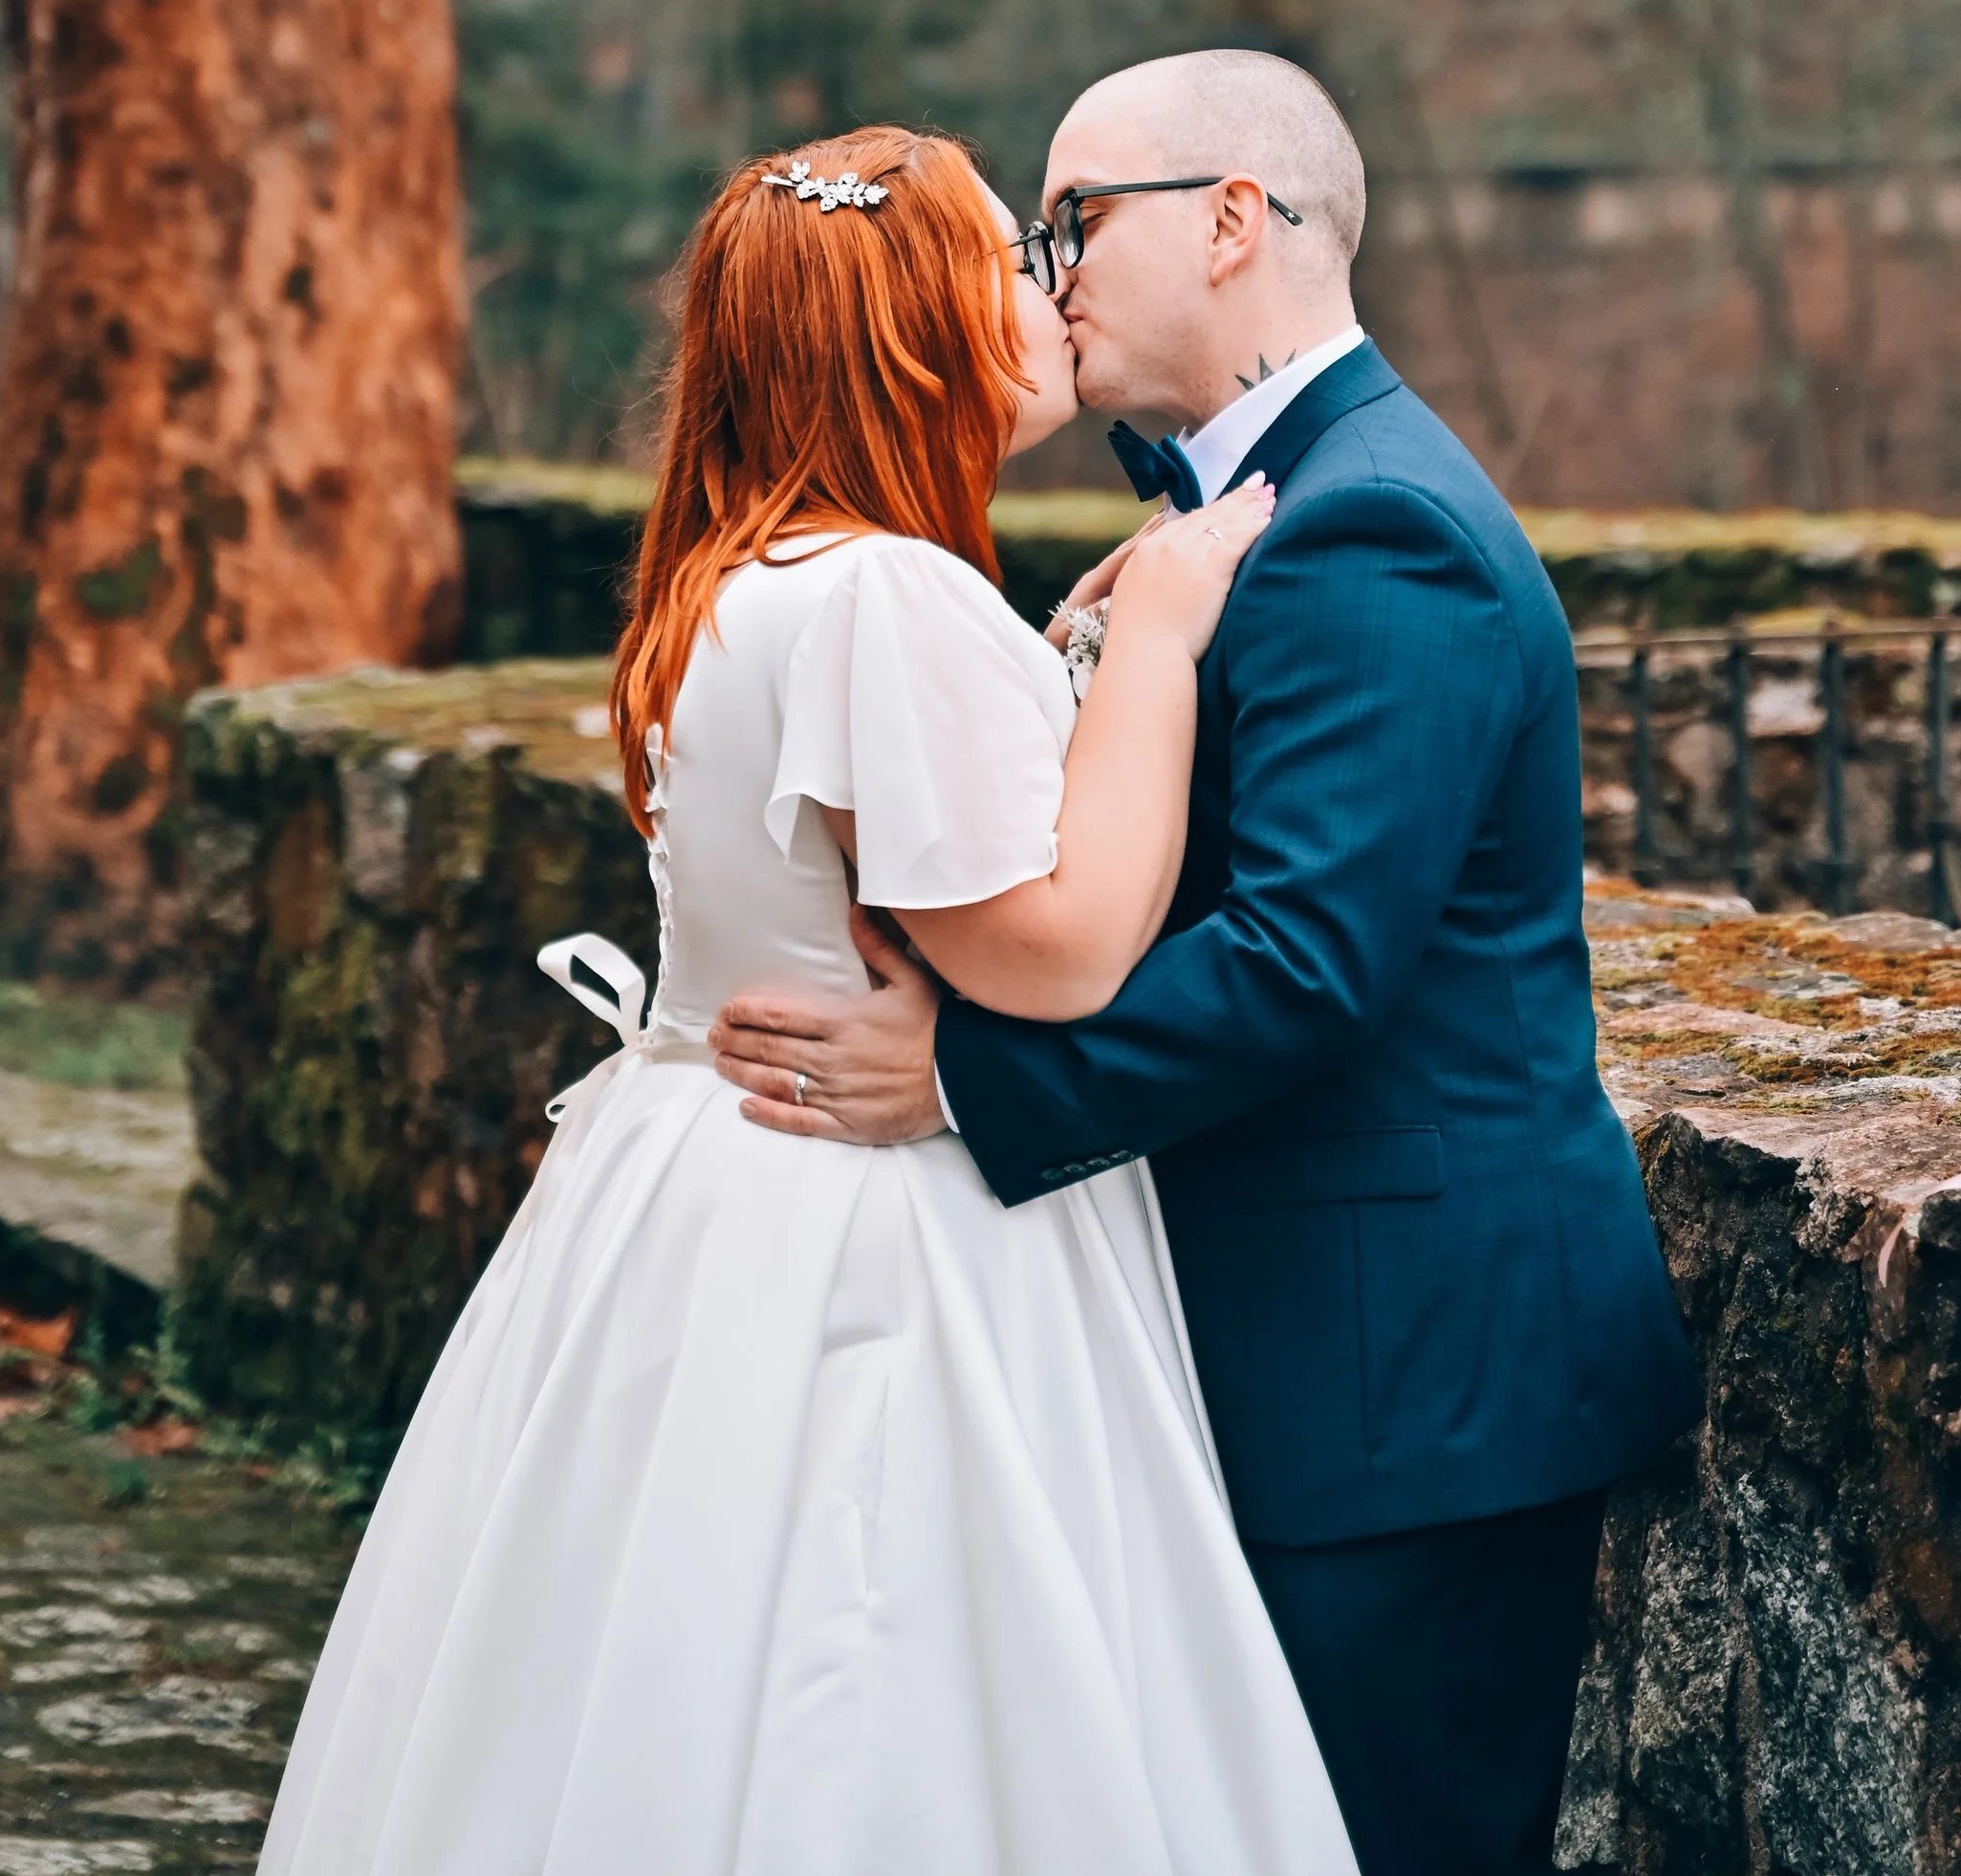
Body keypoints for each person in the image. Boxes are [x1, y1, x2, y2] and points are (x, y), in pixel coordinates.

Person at [258, 123, 1359, 1876]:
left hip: (701, 1180)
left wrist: (1057, 663)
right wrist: (1152, 641)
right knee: (873, 1661)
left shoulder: (743, 576)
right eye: (1007, 257)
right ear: (913, 333)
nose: (1047, 283)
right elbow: (1061, 947)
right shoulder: (889, 597)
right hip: (870, 1228)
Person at [710, 51, 1703, 1876]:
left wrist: (951, 1082)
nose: (1048, 264)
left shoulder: (1373, 524)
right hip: (1297, 1349)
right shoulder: (1235, 515)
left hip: (1405, 1383)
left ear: (1235, 224)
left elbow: (1305, 961)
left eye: (1075, 219)